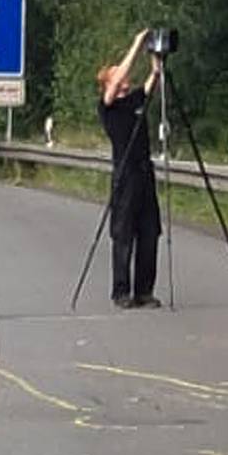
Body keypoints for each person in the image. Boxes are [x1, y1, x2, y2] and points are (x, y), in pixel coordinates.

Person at [96, 28, 164, 308]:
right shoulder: (108, 106)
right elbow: (118, 81)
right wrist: (137, 43)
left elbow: (152, 82)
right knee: (123, 234)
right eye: (117, 74)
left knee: (150, 233)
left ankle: (144, 291)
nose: (124, 77)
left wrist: (156, 61)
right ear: (109, 82)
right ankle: (121, 292)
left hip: (144, 173)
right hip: (124, 176)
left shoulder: (135, 100)